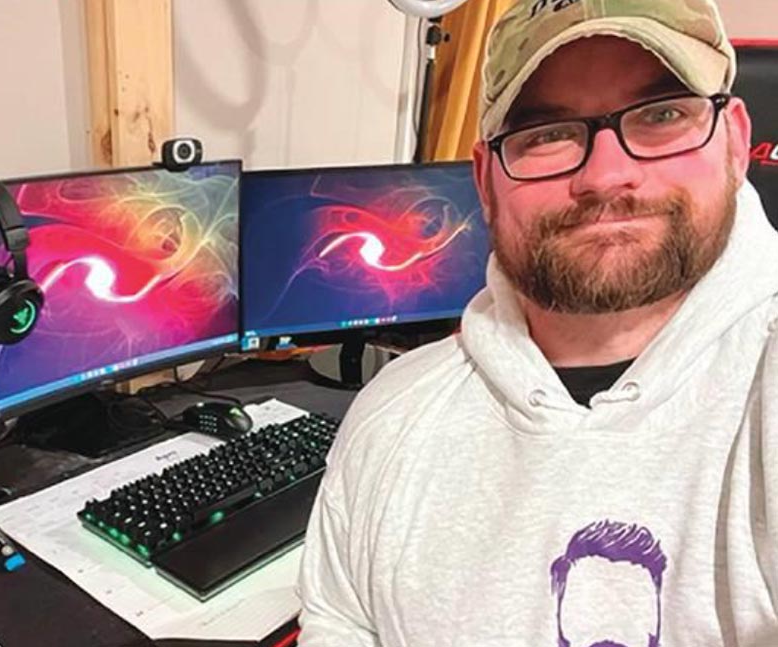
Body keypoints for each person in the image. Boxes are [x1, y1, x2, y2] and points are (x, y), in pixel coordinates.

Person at [297, 0, 778, 645]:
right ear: (485, 181)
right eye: (547, 134)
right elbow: (342, 624)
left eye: (661, 115)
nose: (607, 176)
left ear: (735, 142)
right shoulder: (392, 414)